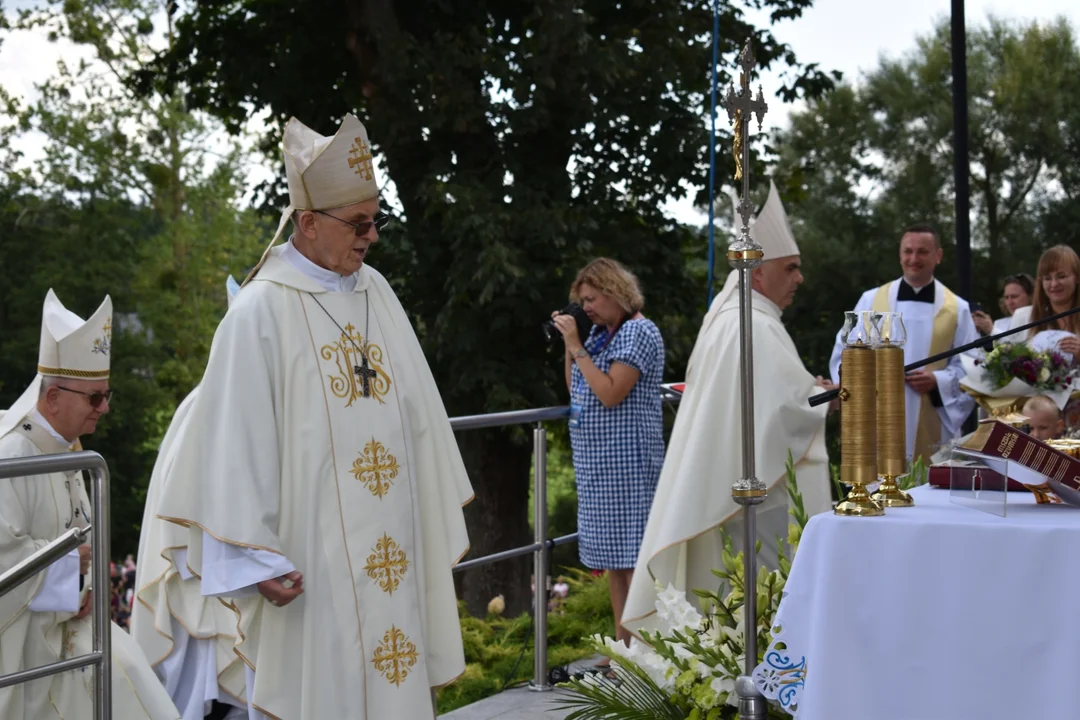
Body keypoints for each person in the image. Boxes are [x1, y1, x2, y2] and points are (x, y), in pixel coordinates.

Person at [156, 114, 474, 720]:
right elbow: (233, 450)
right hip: (314, 570)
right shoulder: (257, 315)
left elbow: (423, 417)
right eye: (358, 224)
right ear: (307, 223)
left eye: (375, 220)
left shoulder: (376, 291)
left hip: (392, 556)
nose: (372, 237)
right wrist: (255, 561)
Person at [623, 181, 835, 635]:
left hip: (730, 494)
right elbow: (784, 413)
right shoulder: (752, 323)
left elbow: (765, 399)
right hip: (755, 505)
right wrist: (822, 399)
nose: (799, 278)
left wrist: (805, 394)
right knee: (756, 614)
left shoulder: (734, 315)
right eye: (792, 268)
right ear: (757, 273)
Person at [0, 289, 180, 720]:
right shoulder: (13, 454)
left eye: (107, 395)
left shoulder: (68, 452)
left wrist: (86, 585)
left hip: (71, 627)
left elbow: (85, 540)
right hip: (25, 650)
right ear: (52, 397)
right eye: (93, 398)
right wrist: (72, 573)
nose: (104, 408)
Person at [132, 276, 247, 720]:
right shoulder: (208, 405)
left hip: (231, 573)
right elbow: (184, 510)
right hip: (206, 582)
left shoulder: (236, 401)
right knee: (216, 690)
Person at [551, 257, 665, 655]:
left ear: (616, 292)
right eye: (581, 302)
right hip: (600, 465)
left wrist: (575, 345)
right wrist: (574, 344)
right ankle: (625, 649)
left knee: (635, 564)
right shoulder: (601, 335)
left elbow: (611, 392)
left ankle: (650, 652)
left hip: (629, 464)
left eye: (592, 299)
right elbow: (577, 388)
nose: (587, 309)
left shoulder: (638, 333)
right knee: (615, 563)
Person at [829, 224, 978, 462]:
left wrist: (937, 381)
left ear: (938, 256)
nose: (913, 258)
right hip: (877, 413)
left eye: (922, 252)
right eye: (908, 251)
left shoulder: (957, 309)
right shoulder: (870, 300)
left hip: (931, 415)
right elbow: (844, 353)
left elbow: (972, 366)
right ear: (900, 254)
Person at [1010, 246, 1080, 357]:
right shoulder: (1023, 316)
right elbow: (1008, 365)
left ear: (1077, 278)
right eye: (1047, 278)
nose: (1054, 284)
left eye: (1061, 276)